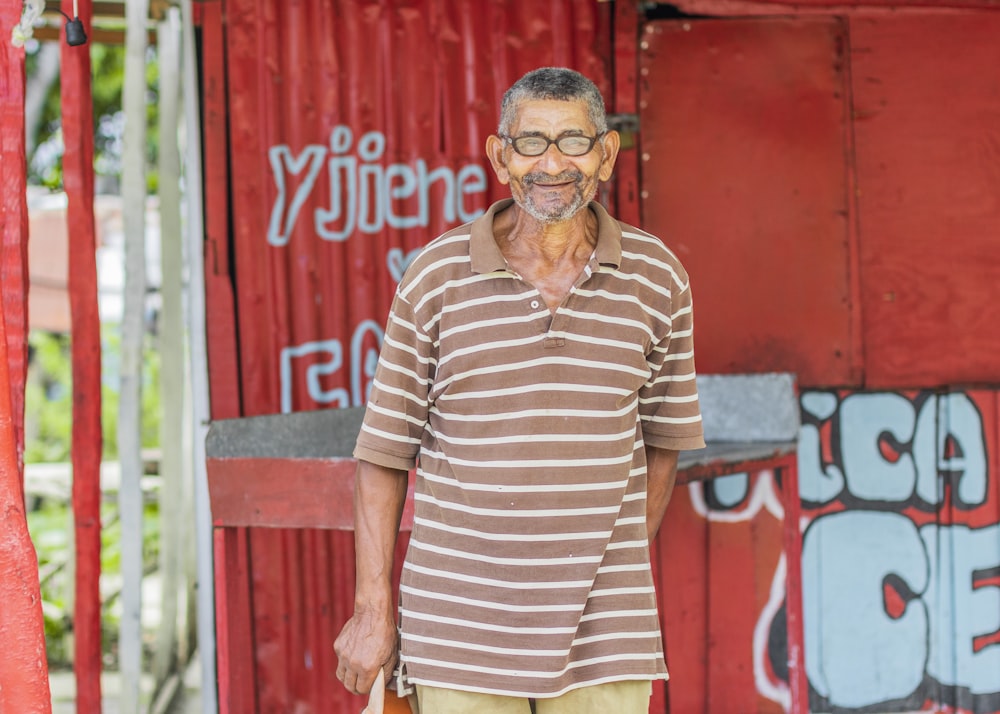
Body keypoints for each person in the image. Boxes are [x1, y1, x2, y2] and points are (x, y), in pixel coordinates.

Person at [334, 66, 705, 714]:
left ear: (607, 153)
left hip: (605, 636)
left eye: (573, 140)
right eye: (531, 142)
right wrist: (372, 610)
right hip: (459, 627)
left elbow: (664, 442)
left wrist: (603, 564)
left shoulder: (658, 279)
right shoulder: (435, 278)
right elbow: (384, 454)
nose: (552, 163)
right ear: (500, 155)